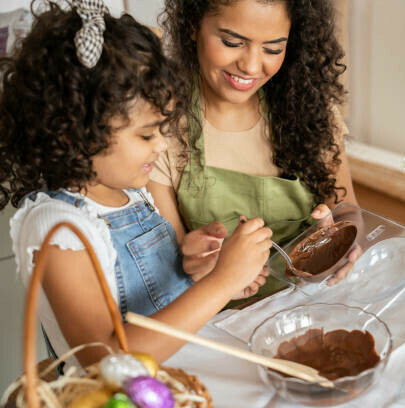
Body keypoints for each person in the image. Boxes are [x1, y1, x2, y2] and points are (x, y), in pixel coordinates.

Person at [0, 0, 272, 368]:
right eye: (146, 135)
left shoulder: (133, 194)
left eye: (162, 129)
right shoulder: (59, 226)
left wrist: (202, 269)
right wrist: (221, 283)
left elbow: (163, 300)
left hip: (183, 373)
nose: (161, 145)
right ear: (75, 135)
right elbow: (106, 360)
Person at [147, 0, 360, 304]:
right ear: (193, 25)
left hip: (314, 302)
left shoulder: (312, 110)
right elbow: (165, 264)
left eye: (273, 49)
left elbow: (348, 209)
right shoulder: (160, 126)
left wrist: (345, 238)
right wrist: (192, 262)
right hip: (218, 318)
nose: (250, 65)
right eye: (232, 42)